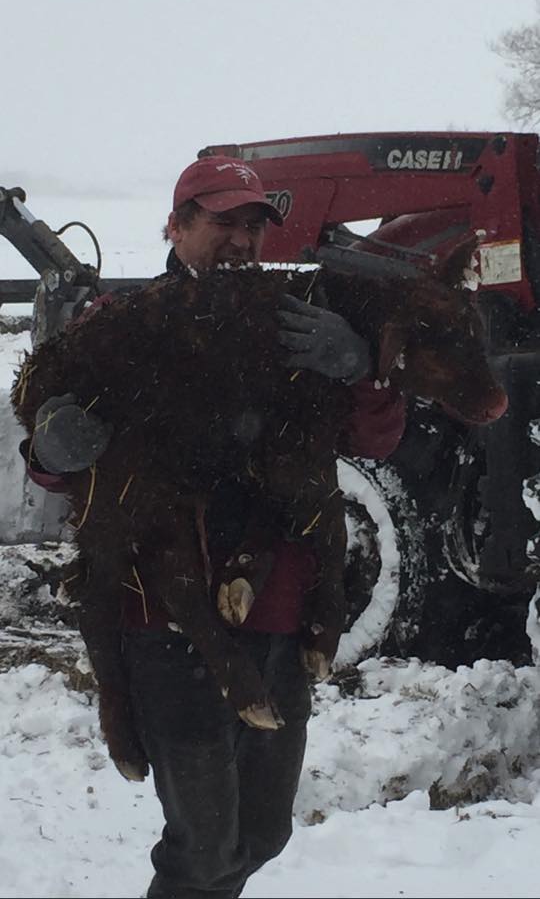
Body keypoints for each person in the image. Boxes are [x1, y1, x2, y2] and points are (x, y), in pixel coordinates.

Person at [21, 155, 406, 899]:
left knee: (264, 833)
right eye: (220, 222)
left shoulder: (293, 320)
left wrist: (360, 368)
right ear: (176, 226)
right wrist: (50, 447)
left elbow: (374, 440)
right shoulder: (122, 327)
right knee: (202, 845)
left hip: (281, 615)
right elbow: (50, 449)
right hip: (162, 618)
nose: (239, 241)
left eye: (252, 226)